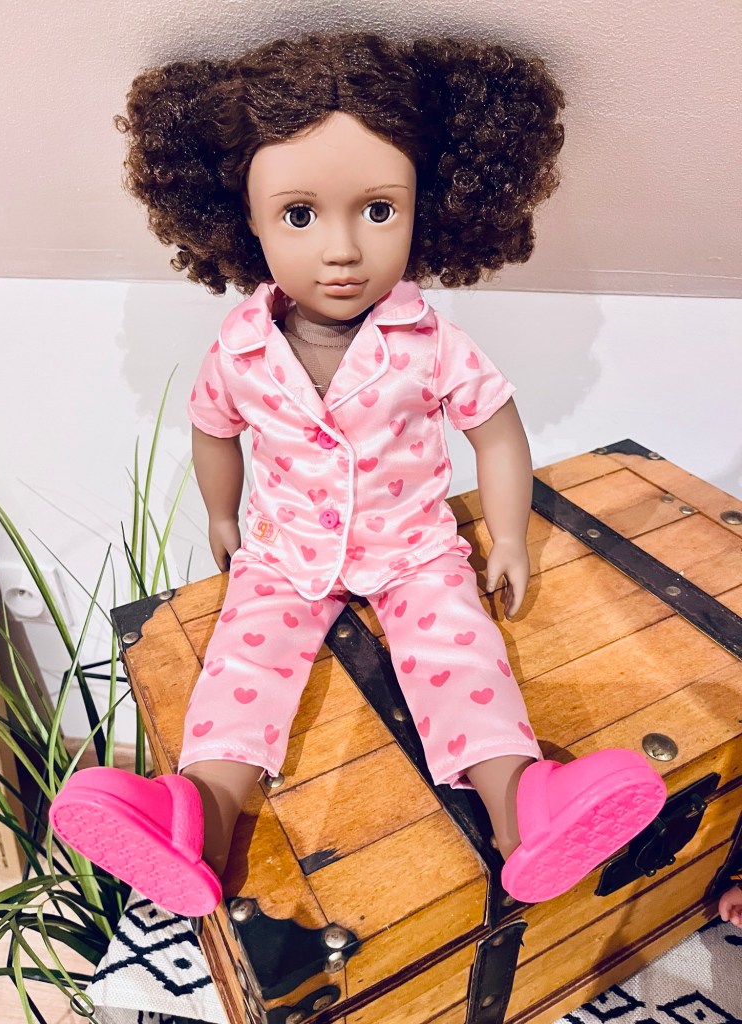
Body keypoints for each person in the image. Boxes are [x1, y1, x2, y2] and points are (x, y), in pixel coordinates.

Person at [50, 31, 667, 916]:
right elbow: (213, 431)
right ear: (246, 219)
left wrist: (508, 536)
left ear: (426, 208)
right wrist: (222, 518)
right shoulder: (241, 349)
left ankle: (524, 810)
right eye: (299, 216)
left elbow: (497, 434)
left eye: (378, 210)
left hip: (415, 548)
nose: (341, 250)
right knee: (241, 665)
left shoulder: (431, 345)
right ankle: (197, 819)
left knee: (461, 653)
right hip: (283, 553)